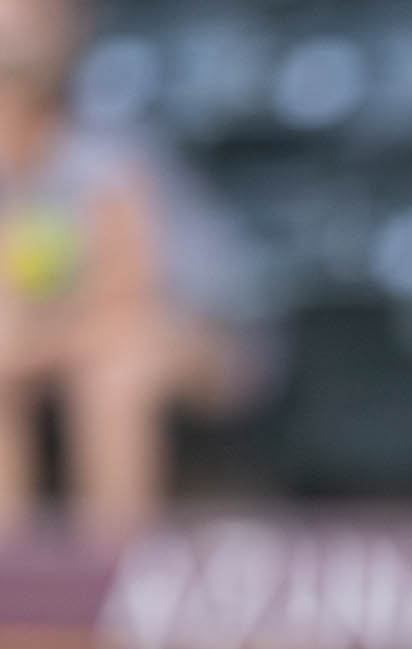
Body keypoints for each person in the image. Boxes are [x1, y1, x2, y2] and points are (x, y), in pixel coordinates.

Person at [0, 0, 265, 549]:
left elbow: (127, 305)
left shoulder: (105, 156)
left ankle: (114, 571)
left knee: (114, 377)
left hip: (202, 330)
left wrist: (27, 348)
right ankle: (14, 578)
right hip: (68, 335)